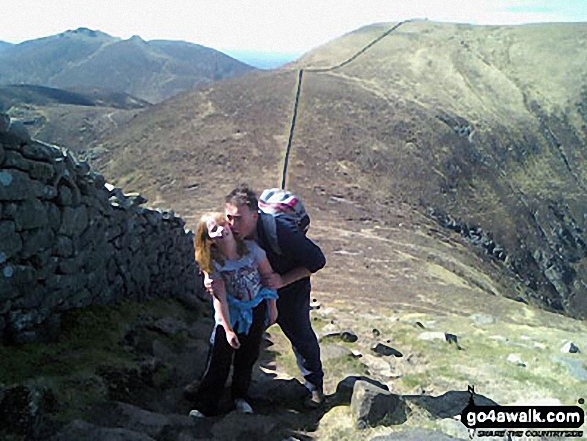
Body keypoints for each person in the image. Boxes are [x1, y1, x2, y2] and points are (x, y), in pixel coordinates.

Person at [223, 185, 326, 408]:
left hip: (291, 289)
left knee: (300, 335)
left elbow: (317, 261)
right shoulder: (230, 231)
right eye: (229, 217)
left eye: (239, 218)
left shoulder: (281, 232)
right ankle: (224, 386)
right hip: (255, 290)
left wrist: (283, 281)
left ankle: (314, 388)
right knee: (241, 336)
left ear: (255, 215)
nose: (232, 225)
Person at [189, 212, 279, 417]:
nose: (221, 230)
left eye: (222, 225)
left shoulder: (252, 251)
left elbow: (268, 277)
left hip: (256, 308)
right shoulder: (214, 264)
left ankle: (240, 398)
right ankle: (206, 404)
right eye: (214, 230)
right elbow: (219, 297)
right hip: (231, 312)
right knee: (219, 358)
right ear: (209, 240)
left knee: (247, 356)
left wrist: (273, 307)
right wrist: (228, 329)